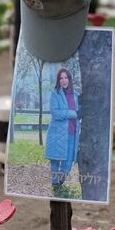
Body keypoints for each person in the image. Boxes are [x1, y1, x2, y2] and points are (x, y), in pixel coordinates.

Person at [45, 67, 80, 198]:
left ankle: (60, 183)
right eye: (61, 78)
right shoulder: (55, 94)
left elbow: (80, 112)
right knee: (55, 161)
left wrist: (78, 113)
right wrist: (73, 114)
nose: (64, 80)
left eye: (66, 77)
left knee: (68, 163)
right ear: (58, 81)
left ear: (69, 79)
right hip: (58, 133)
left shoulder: (75, 95)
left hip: (72, 134)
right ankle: (55, 186)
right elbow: (55, 113)